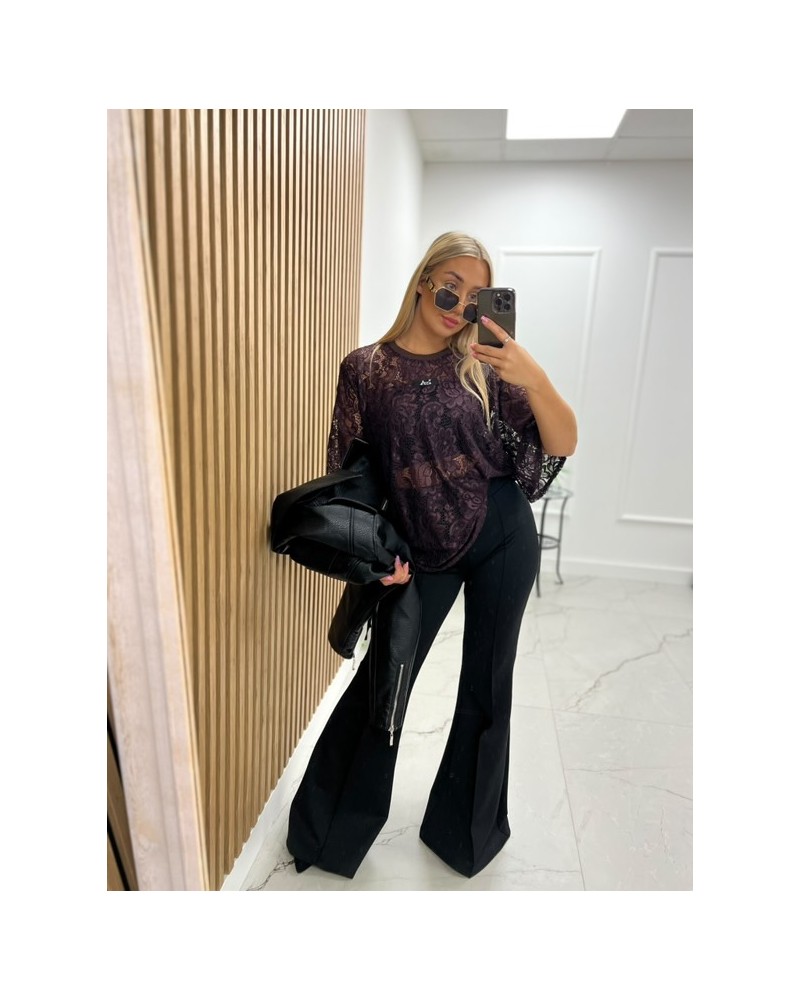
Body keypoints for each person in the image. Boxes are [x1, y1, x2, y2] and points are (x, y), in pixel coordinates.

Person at [286, 231, 578, 879]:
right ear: (423, 281)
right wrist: (376, 556)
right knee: (384, 682)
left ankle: (465, 837)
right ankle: (326, 835)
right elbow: (350, 477)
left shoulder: (485, 366)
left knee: (488, 685)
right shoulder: (365, 369)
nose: (460, 306)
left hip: (502, 533)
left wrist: (534, 378)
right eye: (450, 288)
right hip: (419, 548)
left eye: (476, 298)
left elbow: (562, 442)